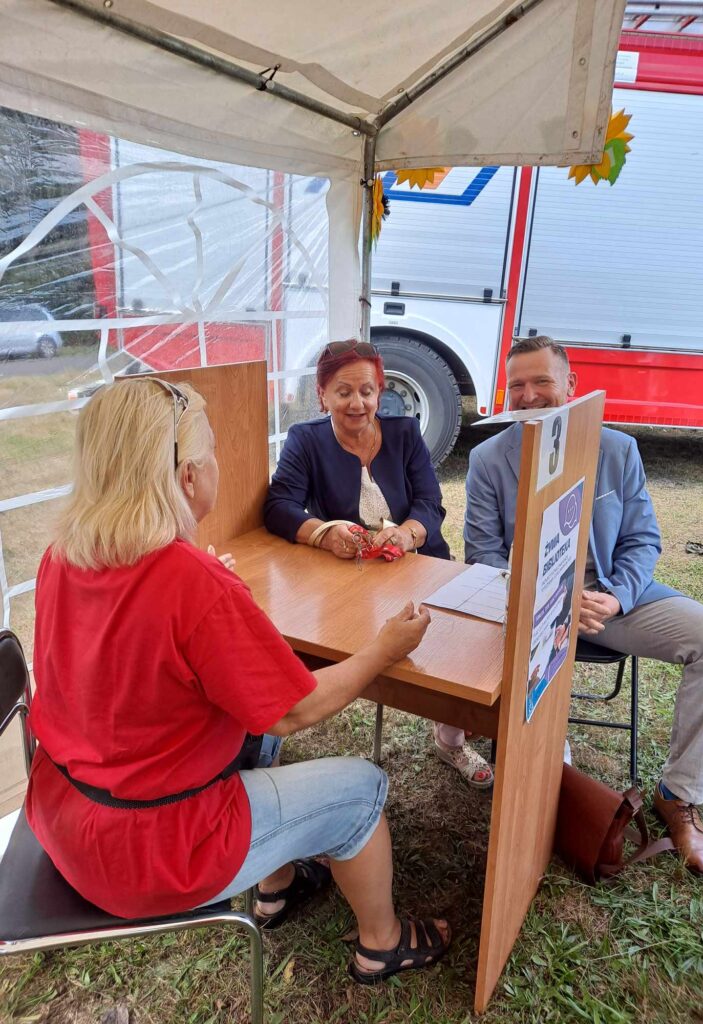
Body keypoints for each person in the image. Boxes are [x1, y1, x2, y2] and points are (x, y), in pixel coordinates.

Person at [26, 377, 451, 984]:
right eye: (213, 451)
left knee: (253, 742)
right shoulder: (190, 582)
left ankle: (275, 886)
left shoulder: (61, 554)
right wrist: (384, 648)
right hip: (157, 852)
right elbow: (295, 709)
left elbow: (132, 659)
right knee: (363, 790)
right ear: (187, 478)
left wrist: (207, 595)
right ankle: (382, 943)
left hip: (67, 817)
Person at [464, 336, 703, 877]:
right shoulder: (487, 460)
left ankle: (678, 795)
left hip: (612, 602)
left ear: (570, 386)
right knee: (534, 727)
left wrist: (614, 596)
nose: (528, 395)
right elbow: (482, 556)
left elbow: (642, 541)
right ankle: (543, 773)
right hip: (528, 604)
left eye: (541, 381)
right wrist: (545, 599)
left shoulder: (617, 449)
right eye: (516, 385)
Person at [264, 339, 494, 789]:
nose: (357, 403)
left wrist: (408, 533)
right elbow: (279, 505)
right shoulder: (306, 441)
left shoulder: (405, 433)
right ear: (323, 394)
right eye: (344, 392)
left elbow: (431, 502)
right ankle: (270, 734)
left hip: (423, 569)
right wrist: (324, 533)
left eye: (367, 391)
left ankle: (449, 736)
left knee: (455, 655)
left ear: (380, 391)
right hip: (345, 583)